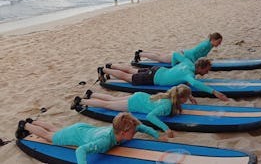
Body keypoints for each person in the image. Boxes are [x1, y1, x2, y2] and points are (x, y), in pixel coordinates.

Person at [16, 113, 165, 164]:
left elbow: (140, 127)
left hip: (84, 129)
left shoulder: (121, 130)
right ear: (124, 132)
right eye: (132, 132)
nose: (135, 133)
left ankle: (33, 121)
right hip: (76, 135)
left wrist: (157, 135)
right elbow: (81, 150)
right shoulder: (104, 142)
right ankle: (26, 126)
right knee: (51, 136)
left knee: (57, 130)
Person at [71, 84, 193, 138]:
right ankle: (81, 101)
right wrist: (166, 128)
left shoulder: (171, 95)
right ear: (181, 98)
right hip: (134, 103)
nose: (187, 100)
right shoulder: (167, 105)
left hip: (139, 96)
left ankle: (91, 94)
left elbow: (179, 89)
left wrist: (189, 96)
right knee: (108, 105)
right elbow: (151, 116)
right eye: (187, 98)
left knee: (114, 99)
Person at [99, 56, 229, 102]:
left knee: (131, 70)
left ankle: (111, 65)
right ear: (202, 67)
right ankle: (104, 70)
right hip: (154, 77)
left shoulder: (188, 63)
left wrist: (173, 70)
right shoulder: (189, 74)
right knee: (128, 77)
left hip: (157, 70)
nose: (207, 72)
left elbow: (176, 55)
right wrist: (214, 92)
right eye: (207, 69)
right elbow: (195, 83)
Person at [134, 32, 222, 66]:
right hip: (181, 55)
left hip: (183, 53)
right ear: (213, 40)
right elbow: (195, 52)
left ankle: (141, 52)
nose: (219, 44)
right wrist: (192, 62)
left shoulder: (209, 45)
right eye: (219, 41)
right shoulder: (206, 45)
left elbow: (201, 55)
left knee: (161, 55)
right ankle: (140, 54)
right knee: (160, 58)